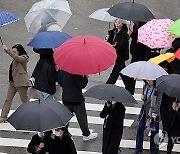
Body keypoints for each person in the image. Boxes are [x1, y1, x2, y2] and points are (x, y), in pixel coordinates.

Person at [58, 69, 98, 141]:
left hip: (66, 98)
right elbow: (81, 85)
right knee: (82, 118)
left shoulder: (62, 71)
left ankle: (63, 133)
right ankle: (86, 134)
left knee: (65, 119)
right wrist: (85, 77)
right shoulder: (76, 72)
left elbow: (60, 82)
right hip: (77, 99)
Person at [0, 44, 31, 123]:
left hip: (21, 83)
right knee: (8, 100)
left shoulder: (24, 58)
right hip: (13, 83)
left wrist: (8, 51)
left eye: (15, 52)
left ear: (19, 51)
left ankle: (30, 116)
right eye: (13, 51)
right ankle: (3, 116)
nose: (14, 53)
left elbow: (17, 57)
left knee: (25, 101)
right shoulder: (15, 58)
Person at [134, 80, 161, 154]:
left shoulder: (158, 89)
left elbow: (158, 102)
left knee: (154, 132)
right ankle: (138, 148)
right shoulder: (145, 86)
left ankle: (154, 150)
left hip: (153, 114)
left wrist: (155, 113)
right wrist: (143, 97)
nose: (148, 81)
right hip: (144, 111)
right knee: (140, 129)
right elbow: (145, 98)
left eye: (150, 80)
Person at [105, 18, 130, 88]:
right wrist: (107, 39)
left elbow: (122, 45)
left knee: (115, 73)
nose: (117, 24)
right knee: (122, 72)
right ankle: (129, 86)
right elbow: (110, 41)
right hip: (114, 54)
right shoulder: (113, 31)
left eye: (119, 23)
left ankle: (108, 88)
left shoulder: (124, 34)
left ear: (123, 24)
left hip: (121, 55)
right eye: (116, 22)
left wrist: (116, 45)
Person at [127, 21, 149, 95]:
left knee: (138, 73)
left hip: (140, 54)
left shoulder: (142, 27)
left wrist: (132, 34)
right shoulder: (135, 26)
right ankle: (129, 91)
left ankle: (150, 84)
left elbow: (140, 40)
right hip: (135, 53)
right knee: (133, 72)